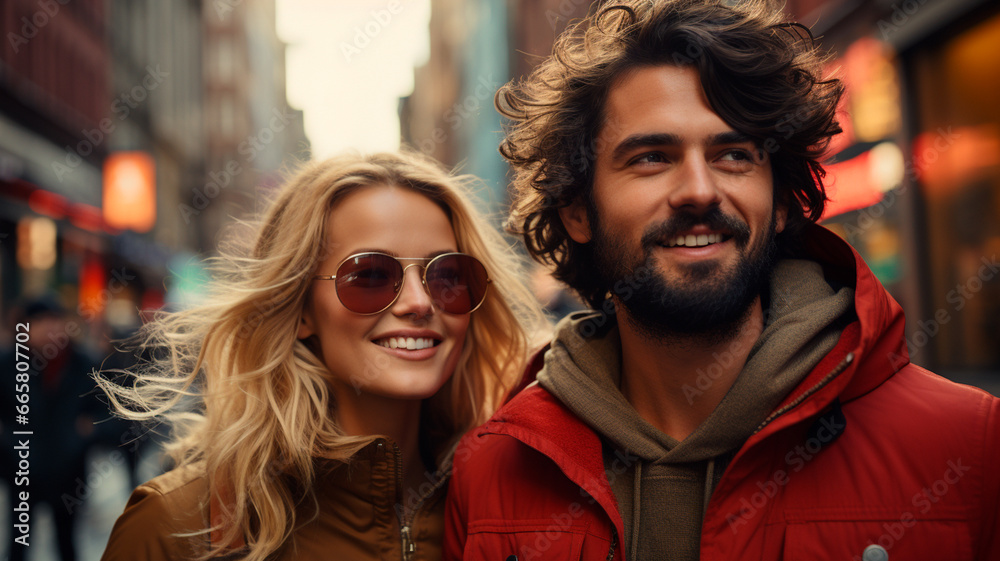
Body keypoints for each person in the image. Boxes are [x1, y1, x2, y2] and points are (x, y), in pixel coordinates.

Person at [443, 1, 1000, 560]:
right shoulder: (490, 475)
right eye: (652, 157)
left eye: (733, 154)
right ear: (577, 212)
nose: (699, 191)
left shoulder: (967, 445)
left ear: (779, 201)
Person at [96, 151, 547, 561]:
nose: (419, 302)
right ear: (301, 311)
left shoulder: (504, 508)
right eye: (370, 274)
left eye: (447, 274)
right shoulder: (176, 528)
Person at [1, 295, 102, 561]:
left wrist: (87, 432)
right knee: (18, 542)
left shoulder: (83, 364)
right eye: (40, 322)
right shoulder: (8, 364)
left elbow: (106, 412)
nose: (49, 329)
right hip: (20, 470)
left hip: (69, 472)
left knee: (67, 542)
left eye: (55, 321)